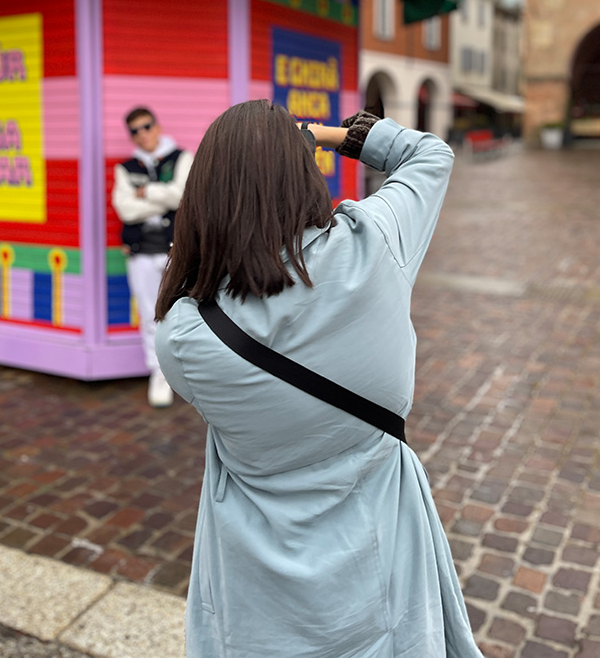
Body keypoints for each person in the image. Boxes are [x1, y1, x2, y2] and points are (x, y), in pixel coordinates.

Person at [155, 101, 483, 658]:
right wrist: (332, 136)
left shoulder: (183, 336)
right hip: (383, 561)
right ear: (304, 174)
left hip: (256, 596)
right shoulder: (372, 246)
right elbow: (430, 153)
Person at [112, 107, 192, 407]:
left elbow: (184, 195)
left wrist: (144, 193)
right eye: (135, 130)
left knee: (182, 313)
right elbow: (125, 209)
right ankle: (158, 374)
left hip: (176, 250)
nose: (142, 134)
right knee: (149, 316)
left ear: (157, 126)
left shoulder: (182, 157)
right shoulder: (126, 167)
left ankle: (185, 374)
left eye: (146, 126)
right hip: (141, 253)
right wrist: (164, 197)